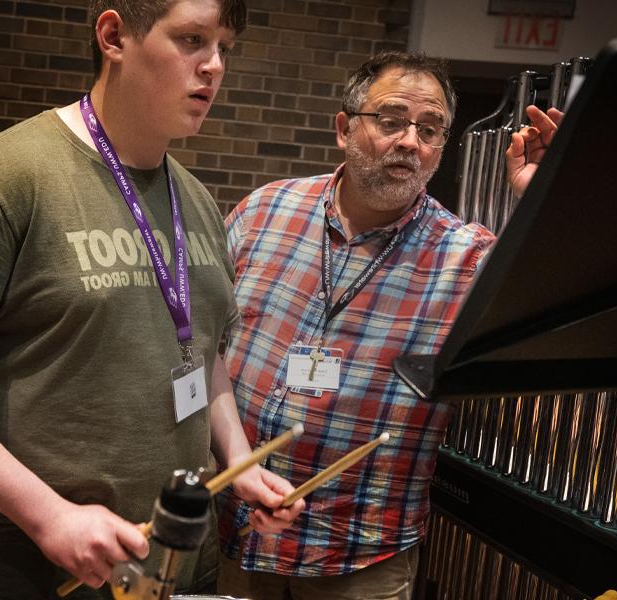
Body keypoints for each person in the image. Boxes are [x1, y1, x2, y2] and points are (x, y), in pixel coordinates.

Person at [0, 2, 303, 599]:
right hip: (30, 575)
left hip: (167, 569)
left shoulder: (197, 201)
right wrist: (49, 515)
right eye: (193, 40)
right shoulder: (10, 176)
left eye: (225, 47)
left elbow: (203, 355)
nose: (214, 67)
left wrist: (240, 461)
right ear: (113, 36)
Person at [215, 51, 559, 600]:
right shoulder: (263, 212)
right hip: (234, 535)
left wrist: (548, 203)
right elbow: (199, 343)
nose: (409, 142)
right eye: (391, 120)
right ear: (345, 128)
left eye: (429, 129)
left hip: (359, 555)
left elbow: (554, 321)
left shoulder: (466, 258)